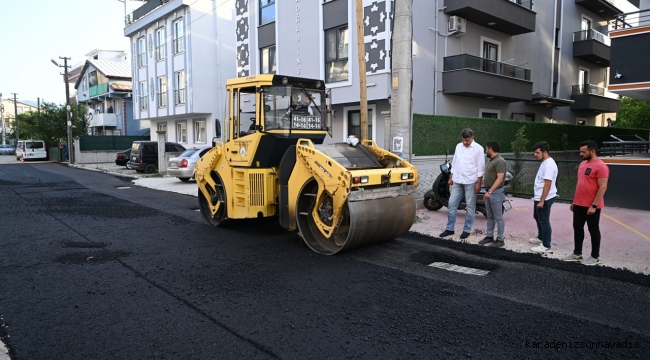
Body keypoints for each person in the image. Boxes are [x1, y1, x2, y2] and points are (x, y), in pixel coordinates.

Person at [562, 140, 609, 266]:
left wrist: (594, 205)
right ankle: (577, 254)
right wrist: (574, 201)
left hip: (591, 206)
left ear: (592, 151)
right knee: (577, 228)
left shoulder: (601, 166)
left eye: (583, 151)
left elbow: (602, 187)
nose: (580, 153)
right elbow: (580, 184)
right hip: (579, 204)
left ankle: (595, 257)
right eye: (580, 151)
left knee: (593, 229)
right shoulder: (582, 164)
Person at [439, 128, 485, 240]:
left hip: (470, 181)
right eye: (463, 140)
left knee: (470, 206)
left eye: (467, 140)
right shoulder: (458, 146)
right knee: (451, 204)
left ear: (472, 138)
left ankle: (466, 230)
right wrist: (451, 177)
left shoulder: (478, 149)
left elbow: (481, 167)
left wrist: (479, 184)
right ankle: (450, 228)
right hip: (458, 180)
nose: (465, 142)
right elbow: (455, 162)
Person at [529, 141, 558, 253]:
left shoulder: (549, 164)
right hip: (539, 197)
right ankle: (541, 237)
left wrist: (542, 201)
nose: (535, 155)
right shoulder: (545, 162)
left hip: (545, 198)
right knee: (537, 217)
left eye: (537, 152)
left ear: (545, 152)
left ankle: (546, 245)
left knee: (544, 221)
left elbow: (548, 183)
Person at [479, 141, 507, 247]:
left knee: (498, 217)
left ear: (490, 149)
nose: (486, 151)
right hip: (489, 192)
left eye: (486, 149)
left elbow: (500, 178)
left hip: (495, 193)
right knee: (490, 216)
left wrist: (490, 191)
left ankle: (500, 240)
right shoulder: (493, 160)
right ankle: (489, 236)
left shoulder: (499, 161)